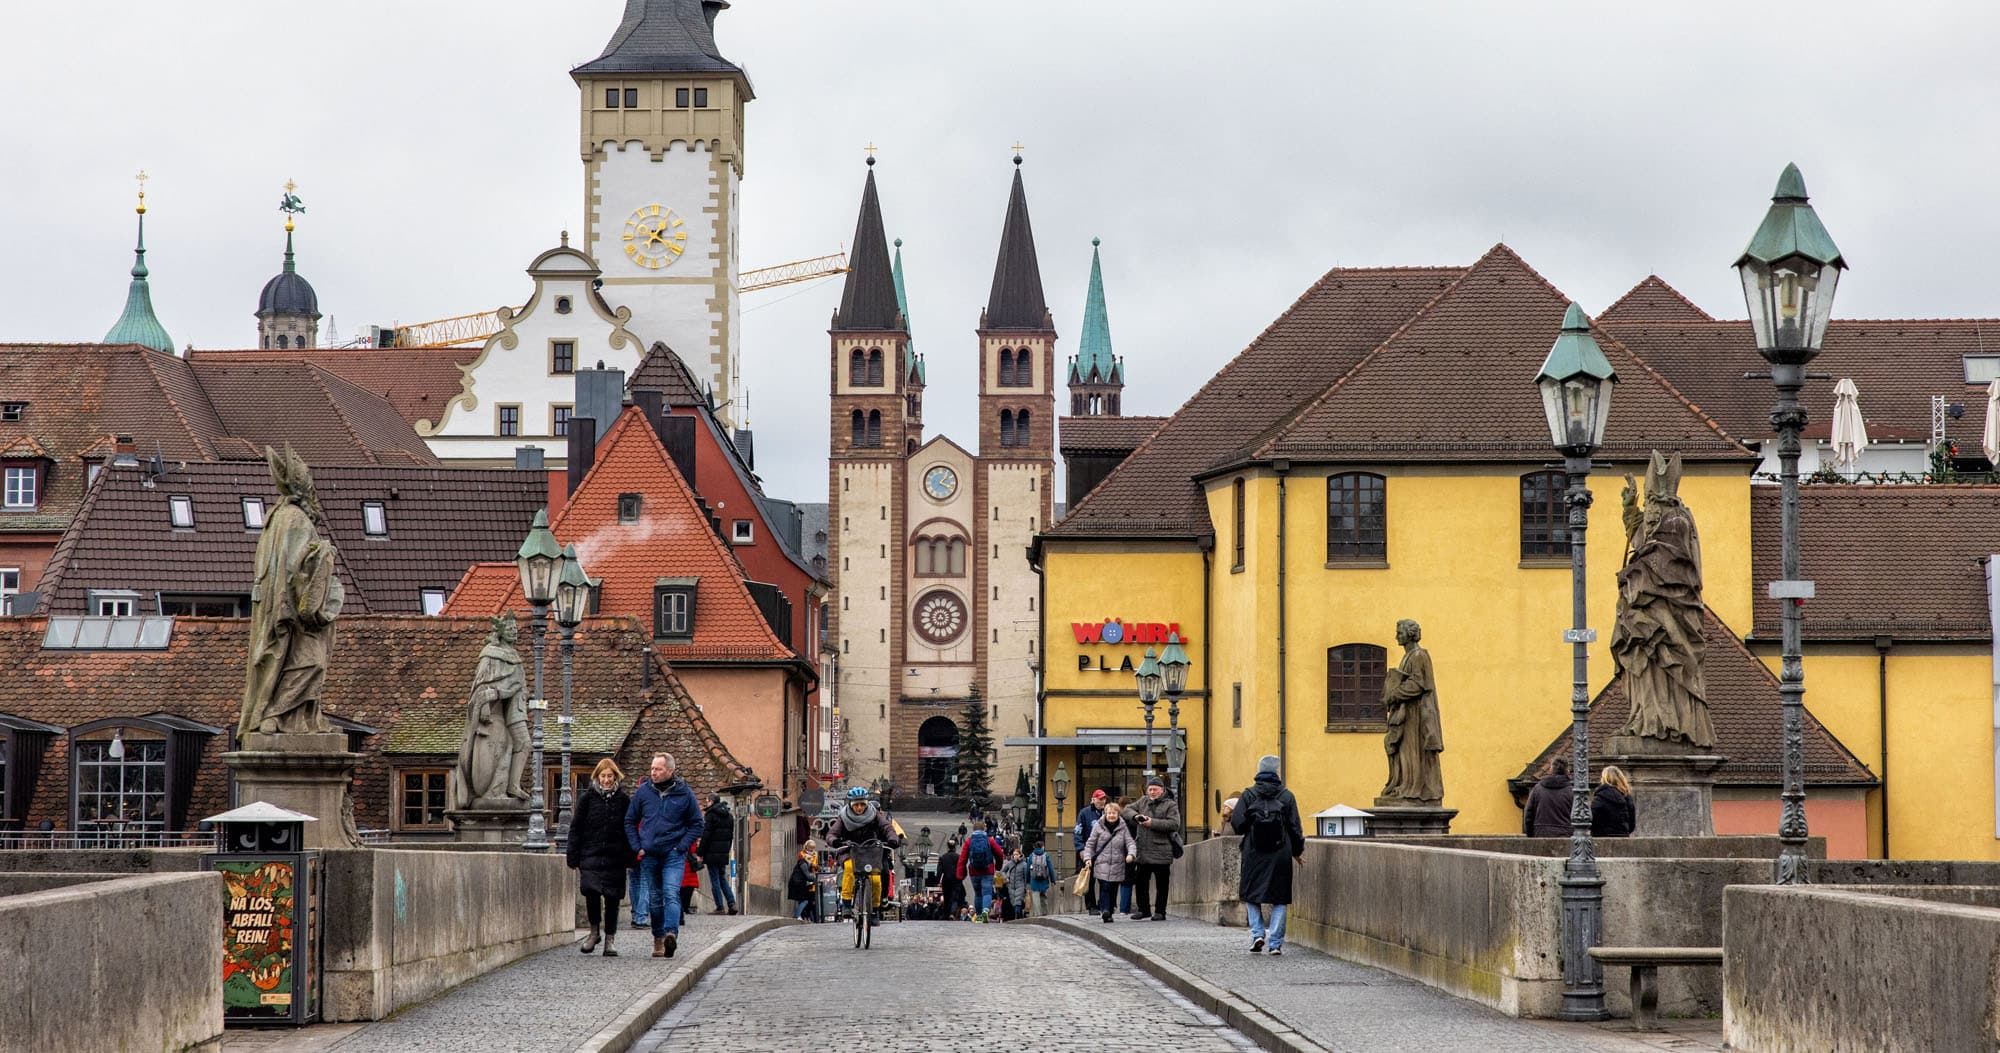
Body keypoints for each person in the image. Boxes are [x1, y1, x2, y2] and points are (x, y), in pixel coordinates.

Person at [625, 752, 702, 959]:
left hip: (673, 853)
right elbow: (630, 820)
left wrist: (682, 846)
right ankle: (658, 938)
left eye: (658, 769)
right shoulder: (643, 793)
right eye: (652, 768)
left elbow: (697, 823)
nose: (653, 772)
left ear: (670, 770)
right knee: (655, 899)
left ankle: (671, 934)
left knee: (670, 893)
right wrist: (637, 846)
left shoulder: (684, 793)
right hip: (649, 853)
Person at [1232, 755, 1304, 955]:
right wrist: (1297, 851)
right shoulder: (1287, 796)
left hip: (1254, 852)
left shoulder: (1248, 795)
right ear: (1277, 772)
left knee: (1251, 895)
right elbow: (1295, 828)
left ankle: (1257, 934)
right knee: (1280, 898)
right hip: (1280, 853)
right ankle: (1275, 944)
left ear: (1259, 770)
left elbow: (1237, 825)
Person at [566, 759, 634, 956]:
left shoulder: (623, 800)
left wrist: (630, 856)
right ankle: (594, 932)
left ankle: (610, 939)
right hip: (591, 854)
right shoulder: (587, 799)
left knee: (612, 899)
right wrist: (573, 854)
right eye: (603, 776)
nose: (606, 780)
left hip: (615, 856)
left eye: (609, 777)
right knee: (591, 892)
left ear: (615, 778)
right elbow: (576, 828)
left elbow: (629, 829)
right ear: (597, 777)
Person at [826, 786, 899, 919]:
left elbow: (886, 827)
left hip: (870, 851)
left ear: (867, 804)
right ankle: (847, 904)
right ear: (850, 805)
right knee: (849, 868)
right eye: (856, 805)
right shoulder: (843, 817)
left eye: (862, 804)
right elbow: (832, 833)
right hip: (850, 850)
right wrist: (835, 841)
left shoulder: (875, 814)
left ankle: (875, 909)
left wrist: (892, 838)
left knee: (876, 880)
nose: (859, 808)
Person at [1127, 777, 1181, 921]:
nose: (1152, 792)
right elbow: (1127, 809)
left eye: (1155, 789)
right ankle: (1143, 909)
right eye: (1150, 789)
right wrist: (1136, 816)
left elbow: (1174, 824)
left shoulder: (1170, 805)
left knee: (1162, 884)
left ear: (1162, 790)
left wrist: (1152, 823)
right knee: (1141, 882)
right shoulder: (1143, 801)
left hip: (1162, 850)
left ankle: (1160, 911)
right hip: (1143, 849)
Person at [1081, 800, 1136, 924]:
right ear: (1105, 813)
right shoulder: (1098, 826)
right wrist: (1087, 858)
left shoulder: (1123, 828)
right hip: (1102, 863)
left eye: (1114, 813)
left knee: (1113, 889)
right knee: (1105, 886)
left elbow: (1130, 842)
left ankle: (1110, 911)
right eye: (1109, 813)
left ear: (1118, 814)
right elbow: (1090, 844)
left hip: (1118, 864)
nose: (1111, 815)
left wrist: (1131, 854)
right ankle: (1105, 910)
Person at [699, 792, 741, 916]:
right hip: (723, 853)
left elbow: (706, 835)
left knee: (715, 880)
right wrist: (726, 850)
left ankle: (719, 907)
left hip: (711, 852)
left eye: (707, 801)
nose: (706, 803)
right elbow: (730, 836)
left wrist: (700, 852)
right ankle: (732, 903)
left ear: (711, 802)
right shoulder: (729, 816)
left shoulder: (711, 815)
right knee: (722, 878)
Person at [957, 822, 1003, 922]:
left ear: (973, 829)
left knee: (978, 894)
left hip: (974, 872)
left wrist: (961, 873)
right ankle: (985, 913)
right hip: (988, 870)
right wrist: (998, 866)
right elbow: (999, 853)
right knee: (987, 892)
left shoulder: (969, 841)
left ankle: (978, 916)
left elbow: (962, 859)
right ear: (984, 829)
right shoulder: (989, 840)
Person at [1073, 789, 1107, 912]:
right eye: (1100, 799)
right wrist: (1081, 850)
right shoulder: (1084, 813)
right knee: (1090, 881)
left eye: (1104, 799)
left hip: (1105, 853)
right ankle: (1091, 906)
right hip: (1089, 853)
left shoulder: (1108, 812)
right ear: (1093, 800)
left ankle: (1104, 904)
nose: (1102, 801)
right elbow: (1078, 832)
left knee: (1105, 881)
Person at [1523, 758, 1574, 837]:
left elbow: (1529, 815)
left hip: (1541, 834)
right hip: (1565, 835)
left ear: (1551, 769)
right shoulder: (1572, 791)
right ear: (1567, 771)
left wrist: (1530, 835)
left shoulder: (1538, 788)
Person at [1593, 765, 1637, 838]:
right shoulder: (1627, 797)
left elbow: (1592, 819)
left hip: (1602, 838)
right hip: (1623, 837)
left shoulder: (1600, 797)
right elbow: (1631, 824)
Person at [787, 839, 819, 921]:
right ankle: (797, 916)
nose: (812, 859)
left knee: (804, 900)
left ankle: (799, 916)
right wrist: (816, 877)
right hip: (800, 883)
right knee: (804, 900)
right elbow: (807, 875)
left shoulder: (814, 856)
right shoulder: (803, 861)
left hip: (803, 882)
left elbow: (815, 867)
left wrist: (815, 867)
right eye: (810, 858)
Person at [1025, 841, 1055, 918]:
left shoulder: (1031, 856)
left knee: (1035, 898)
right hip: (1044, 880)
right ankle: (1045, 914)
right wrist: (1053, 880)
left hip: (1034, 880)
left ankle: (1038, 915)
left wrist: (1027, 880)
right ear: (1042, 847)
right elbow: (1051, 869)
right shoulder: (1046, 855)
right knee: (1044, 897)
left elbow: (1027, 869)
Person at [680, 843, 702, 915]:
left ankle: (683, 907)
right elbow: (694, 850)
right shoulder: (692, 839)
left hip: (686, 864)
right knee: (689, 888)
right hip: (689, 864)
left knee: (683, 888)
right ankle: (686, 907)